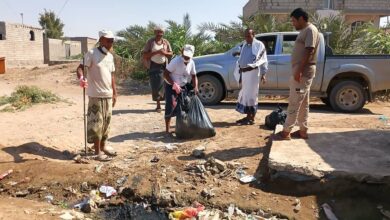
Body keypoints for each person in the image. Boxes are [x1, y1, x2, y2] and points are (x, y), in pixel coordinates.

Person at [276, 8, 320, 140]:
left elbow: (309, 50)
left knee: (294, 102)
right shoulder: (305, 31)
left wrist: (299, 71)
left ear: (301, 18)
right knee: (303, 103)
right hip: (302, 73)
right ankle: (303, 131)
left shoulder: (310, 30)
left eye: (294, 21)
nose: (293, 23)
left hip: (303, 74)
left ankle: (286, 131)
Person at [76, 30, 118, 161]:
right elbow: (80, 67)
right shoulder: (92, 53)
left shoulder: (110, 57)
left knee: (106, 123)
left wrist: (115, 93)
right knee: (96, 124)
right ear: (101, 40)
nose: (111, 43)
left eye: (112, 40)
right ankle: (97, 151)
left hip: (108, 94)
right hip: (95, 94)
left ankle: (104, 146)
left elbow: (111, 76)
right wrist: (81, 78)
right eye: (108, 40)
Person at [235, 28, 268, 125]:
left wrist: (264, 73)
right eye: (245, 36)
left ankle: (252, 118)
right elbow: (242, 57)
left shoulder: (259, 45)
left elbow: (263, 59)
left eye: (249, 36)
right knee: (245, 94)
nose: (247, 38)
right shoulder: (245, 45)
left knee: (252, 95)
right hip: (244, 73)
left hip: (253, 73)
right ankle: (247, 117)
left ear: (254, 35)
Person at [163, 44, 199, 133]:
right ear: (182, 52)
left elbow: (194, 76)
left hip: (183, 86)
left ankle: (182, 127)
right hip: (171, 86)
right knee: (170, 106)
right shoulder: (176, 61)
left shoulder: (192, 62)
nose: (186, 58)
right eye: (185, 55)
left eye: (188, 56)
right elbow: (165, 74)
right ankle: (167, 130)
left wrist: (196, 86)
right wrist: (173, 84)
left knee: (185, 106)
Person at [142, 26, 173, 113]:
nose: (159, 34)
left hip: (164, 66)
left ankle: (167, 104)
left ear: (163, 33)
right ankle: (158, 105)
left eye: (161, 32)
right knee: (156, 86)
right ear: (155, 33)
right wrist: (157, 52)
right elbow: (145, 55)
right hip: (154, 66)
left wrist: (164, 53)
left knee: (165, 85)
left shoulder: (166, 42)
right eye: (158, 32)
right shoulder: (150, 42)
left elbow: (170, 53)